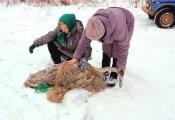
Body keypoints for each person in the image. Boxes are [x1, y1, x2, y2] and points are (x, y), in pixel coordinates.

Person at [68, 7, 134, 83]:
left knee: (116, 49)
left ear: (104, 32)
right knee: (107, 48)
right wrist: (76, 57)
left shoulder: (120, 30)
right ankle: (105, 70)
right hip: (111, 17)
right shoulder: (91, 25)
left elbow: (123, 48)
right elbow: (83, 42)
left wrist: (121, 65)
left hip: (126, 20)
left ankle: (114, 74)